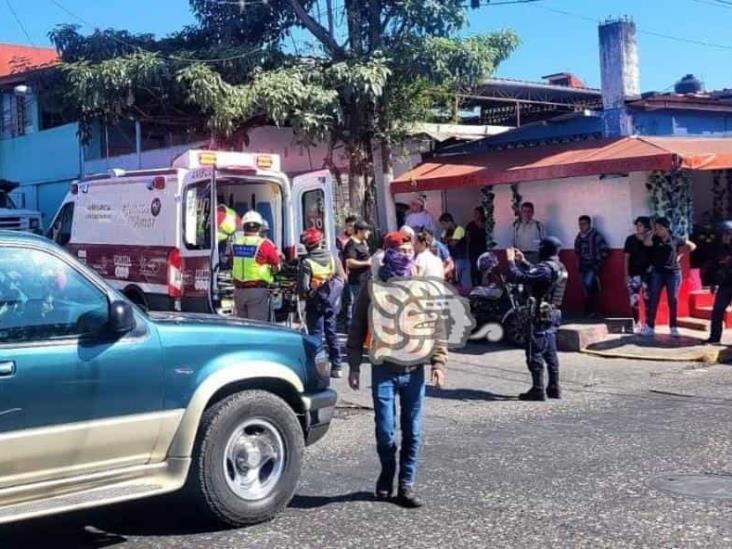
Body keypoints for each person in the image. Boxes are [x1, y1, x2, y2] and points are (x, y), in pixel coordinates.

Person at [346, 231, 446, 508]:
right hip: (384, 370)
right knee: (385, 431)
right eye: (399, 250)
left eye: (408, 250)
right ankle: (387, 471)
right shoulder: (372, 286)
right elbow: (357, 327)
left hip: (414, 370)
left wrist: (439, 362)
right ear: (388, 253)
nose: (405, 254)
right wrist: (354, 365)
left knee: (412, 431)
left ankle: (406, 484)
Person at [505, 237, 568, 401]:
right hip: (554, 313)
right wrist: (523, 261)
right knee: (551, 352)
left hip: (540, 313)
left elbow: (516, 276)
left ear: (545, 249)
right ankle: (554, 388)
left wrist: (511, 261)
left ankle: (538, 389)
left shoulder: (545, 268)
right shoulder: (559, 267)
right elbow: (538, 275)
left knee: (535, 351)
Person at [297, 228, 346, 378]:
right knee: (331, 332)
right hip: (331, 301)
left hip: (314, 302)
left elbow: (303, 288)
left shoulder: (306, 262)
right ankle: (337, 365)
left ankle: (318, 368)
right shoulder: (333, 257)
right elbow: (342, 278)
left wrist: (307, 293)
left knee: (316, 335)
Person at [644, 217, 696, 337]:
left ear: (666, 228)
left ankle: (673, 326)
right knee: (654, 298)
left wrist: (681, 255)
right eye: (656, 228)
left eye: (659, 228)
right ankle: (650, 326)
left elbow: (692, 246)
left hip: (673, 273)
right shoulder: (655, 239)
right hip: (658, 272)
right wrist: (652, 231)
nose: (657, 230)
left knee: (673, 300)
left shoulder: (675, 239)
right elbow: (646, 243)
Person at [229, 210, 281, 322]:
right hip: (257, 291)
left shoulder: (235, 243)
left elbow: (231, 262)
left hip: (239, 291)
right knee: (257, 327)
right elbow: (277, 265)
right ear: (259, 227)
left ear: (244, 226)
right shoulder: (264, 244)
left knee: (242, 327)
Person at [573, 215, 609, 317]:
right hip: (582, 266)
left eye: (584, 224)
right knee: (585, 287)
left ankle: (589, 310)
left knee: (588, 285)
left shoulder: (596, 236)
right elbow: (577, 251)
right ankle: (589, 310)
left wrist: (598, 261)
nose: (581, 226)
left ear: (589, 224)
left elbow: (605, 250)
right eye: (580, 224)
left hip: (593, 266)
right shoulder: (579, 237)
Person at [623, 216, 654, 332]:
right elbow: (626, 257)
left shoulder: (651, 239)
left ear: (646, 227)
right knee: (634, 300)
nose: (637, 227)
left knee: (648, 300)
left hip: (647, 275)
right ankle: (636, 322)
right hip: (633, 274)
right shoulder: (630, 240)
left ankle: (648, 324)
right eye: (637, 225)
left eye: (640, 225)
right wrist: (626, 275)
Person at [706, 221, 732, 344]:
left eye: (728, 234)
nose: (725, 237)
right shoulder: (720, 249)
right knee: (717, 311)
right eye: (723, 234)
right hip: (724, 285)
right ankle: (715, 338)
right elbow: (715, 267)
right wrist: (713, 283)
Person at [342, 220, 372, 329]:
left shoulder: (362, 243)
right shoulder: (351, 244)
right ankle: (354, 328)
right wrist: (367, 263)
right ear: (359, 231)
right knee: (358, 306)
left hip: (365, 279)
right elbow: (349, 262)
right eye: (366, 231)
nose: (369, 233)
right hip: (357, 281)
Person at [439, 213, 471, 292]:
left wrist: (447, 240)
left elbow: (454, 243)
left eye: (443, 224)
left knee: (464, 285)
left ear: (449, 222)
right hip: (453, 260)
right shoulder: (446, 231)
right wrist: (449, 239)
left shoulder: (459, 229)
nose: (443, 227)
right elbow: (442, 242)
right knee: (454, 285)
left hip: (462, 260)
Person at [466, 207, 488, 287]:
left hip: (482, 250)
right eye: (474, 213)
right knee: (473, 268)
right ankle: (474, 286)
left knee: (481, 269)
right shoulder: (470, 224)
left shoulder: (486, 223)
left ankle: (481, 285)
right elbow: (467, 238)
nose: (474, 215)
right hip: (473, 250)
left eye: (476, 213)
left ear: (481, 214)